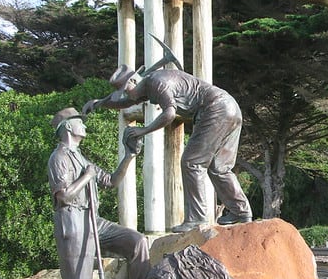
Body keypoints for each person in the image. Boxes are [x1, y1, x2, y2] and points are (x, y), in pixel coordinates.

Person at [83, 66, 253, 232]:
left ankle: (196, 218)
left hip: (215, 109)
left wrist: (143, 130)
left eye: (127, 90)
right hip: (230, 107)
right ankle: (241, 211)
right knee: (219, 168)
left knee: (192, 163)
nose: (127, 95)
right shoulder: (145, 87)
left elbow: (169, 114)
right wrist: (99, 103)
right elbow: (126, 102)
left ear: (134, 80)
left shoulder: (157, 83)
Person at [48, 107, 150, 279]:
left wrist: (129, 155)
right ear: (69, 127)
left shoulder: (81, 157)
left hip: (93, 218)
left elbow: (112, 181)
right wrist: (87, 176)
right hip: (72, 220)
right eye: (79, 122)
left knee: (136, 242)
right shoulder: (59, 157)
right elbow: (62, 197)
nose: (84, 125)